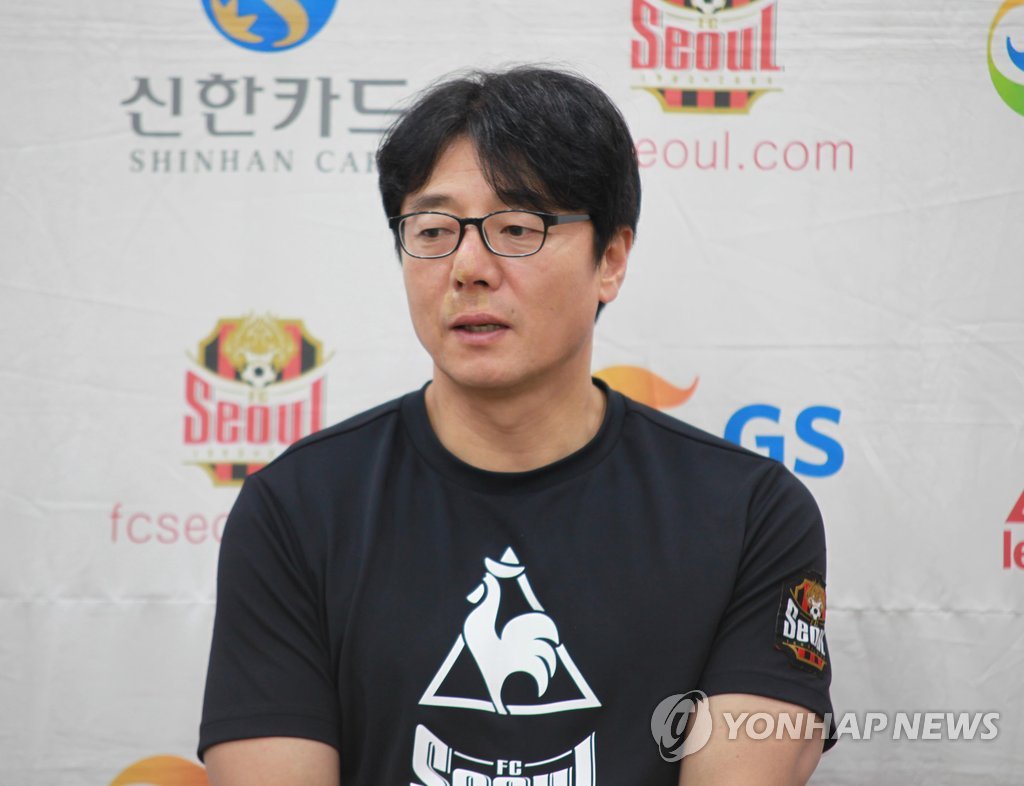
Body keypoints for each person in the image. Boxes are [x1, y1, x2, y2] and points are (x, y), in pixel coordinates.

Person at [198, 65, 834, 785]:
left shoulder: (748, 514)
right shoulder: (297, 508)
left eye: (517, 228)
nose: (468, 267)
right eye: (433, 230)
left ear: (611, 259)